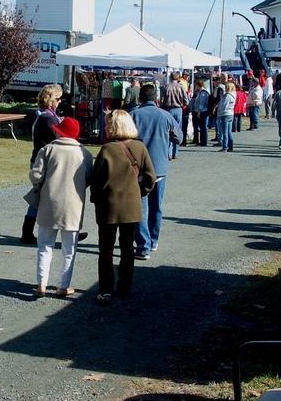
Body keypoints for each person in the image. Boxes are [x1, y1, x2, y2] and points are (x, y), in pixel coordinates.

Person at [90, 110, 156, 305]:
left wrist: (97, 198)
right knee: (127, 247)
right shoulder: (140, 147)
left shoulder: (107, 150)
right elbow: (150, 177)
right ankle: (125, 285)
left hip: (109, 206)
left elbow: (96, 180)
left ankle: (105, 290)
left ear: (113, 126)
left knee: (106, 249)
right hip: (132, 205)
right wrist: (140, 192)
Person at [28, 117, 92, 298]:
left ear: (58, 132)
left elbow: (35, 176)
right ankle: (63, 286)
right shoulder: (85, 153)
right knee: (69, 249)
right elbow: (89, 178)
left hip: (49, 203)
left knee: (45, 246)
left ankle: (41, 283)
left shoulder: (47, 150)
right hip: (74, 206)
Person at [130, 84, 180, 260]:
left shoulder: (134, 115)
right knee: (156, 206)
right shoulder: (165, 116)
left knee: (140, 207)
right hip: (159, 167)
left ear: (140, 99)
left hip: (139, 167)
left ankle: (143, 246)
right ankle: (153, 240)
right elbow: (178, 137)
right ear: (156, 98)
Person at [23, 84, 63, 244]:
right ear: (52, 99)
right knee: (50, 196)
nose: (60, 102)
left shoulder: (39, 114)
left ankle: (27, 231)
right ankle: (65, 229)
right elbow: (59, 139)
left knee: (38, 194)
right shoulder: (49, 119)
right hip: (46, 161)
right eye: (58, 98)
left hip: (37, 158)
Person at [160, 72, 187, 160]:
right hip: (178, 109)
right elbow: (186, 101)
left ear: (170, 77)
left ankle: (168, 152)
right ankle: (175, 152)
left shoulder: (166, 87)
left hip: (168, 109)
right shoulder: (181, 87)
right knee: (177, 130)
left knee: (168, 130)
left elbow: (162, 100)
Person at [216, 81, 237, 152]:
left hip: (225, 114)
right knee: (229, 131)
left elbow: (224, 105)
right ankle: (230, 146)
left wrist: (219, 111)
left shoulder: (227, 96)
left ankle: (225, 146)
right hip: (231, 113)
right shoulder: (234, 95)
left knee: (224, 131)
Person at [188, 79, 210, 147]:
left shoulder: (203, 93)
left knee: (203, 126)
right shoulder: (199, 92)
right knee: (197, 126)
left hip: (202, 111)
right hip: (197, 110)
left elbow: (202, 103)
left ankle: (204, 141)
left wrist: (199, 112)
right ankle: (197, 140)